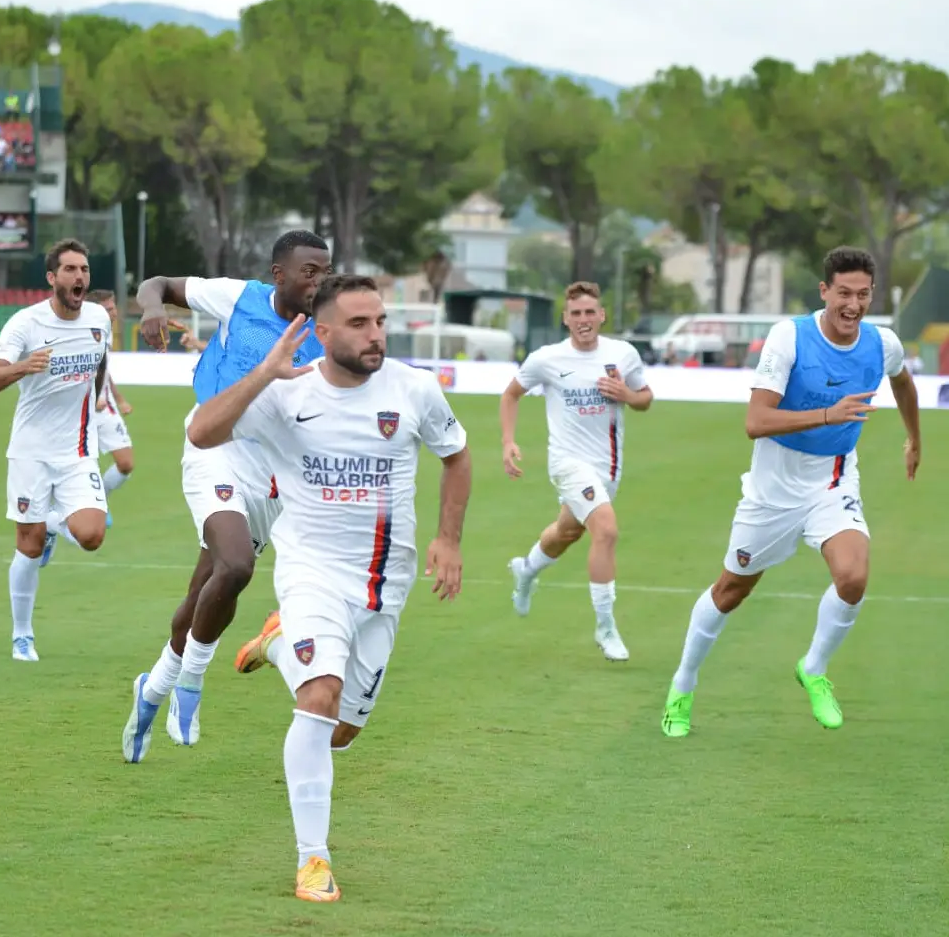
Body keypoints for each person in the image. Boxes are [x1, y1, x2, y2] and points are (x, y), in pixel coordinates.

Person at [193, 275, 471, 902]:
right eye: (359, 324)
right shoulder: (288, 394)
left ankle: (280, 644)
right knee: (319, 699)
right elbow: (202, 433)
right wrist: (264, 372)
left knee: (341, 729)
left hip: (386, 583)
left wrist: (449, 539)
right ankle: (312, 861)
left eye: (379, 321)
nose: (376, 335)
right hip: (312, 570)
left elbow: (456, 453)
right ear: (322, 333)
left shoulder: (415, 389)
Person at [662, 246, 921, 737]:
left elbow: (903, 381)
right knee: (730, 590)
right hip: (772, 490)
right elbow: (756, 422)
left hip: (833, 480)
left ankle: (815, 669)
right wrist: (828, 413)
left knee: (853, 576)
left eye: (863, 295)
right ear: (824, 292)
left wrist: (914, 437)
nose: (853, 305)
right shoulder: (790, 338)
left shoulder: (880, 342)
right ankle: (683, 684)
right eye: (844, 293)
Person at [122, 231, 331, 762]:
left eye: (326, 271)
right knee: (236, 567)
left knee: (202, 594)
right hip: (213, 444)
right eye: (310, 271)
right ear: (279, 273)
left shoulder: (327, 333)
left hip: (274, 475)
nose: (319, 281)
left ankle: (151, 691)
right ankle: (191, 684)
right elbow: (157, 284)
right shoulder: (240, 297)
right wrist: (150, 309)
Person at [499, 281, 652, 661]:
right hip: (567, 463)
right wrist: (508, 441)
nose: (583, 320)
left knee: (567, 532)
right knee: (607, 530)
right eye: (576, 314)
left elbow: (646, 398)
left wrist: (628, 396)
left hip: (608, 467)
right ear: (566, 320)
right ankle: (606, 627)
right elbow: (511, 394)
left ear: (601, 315)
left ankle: (527, 571)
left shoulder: (623, 354)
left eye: (590, 312)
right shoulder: (547, 358)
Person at [0, 239, 110, 662]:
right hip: (31, 452)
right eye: (70, 270)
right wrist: (23, 366)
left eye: (84, 270)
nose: (80, 277)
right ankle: (22, 635)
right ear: (52, 278)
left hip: (77, 450)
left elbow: (100, 361)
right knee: (29, 546)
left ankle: (55, 523)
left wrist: (102, 395)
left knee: (92, 535)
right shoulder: (25, 324)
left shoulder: (98, 318)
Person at [88, 290, 134, 526]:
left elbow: (103, 371)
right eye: (107, 309)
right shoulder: (84, 334)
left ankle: (101, 499)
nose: (113, 312)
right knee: (80, 465)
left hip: (105, 408)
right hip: (81, 411)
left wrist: (119, 397)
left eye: (113, 307)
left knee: (126, 463)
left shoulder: (105, 333)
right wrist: (92, 397)